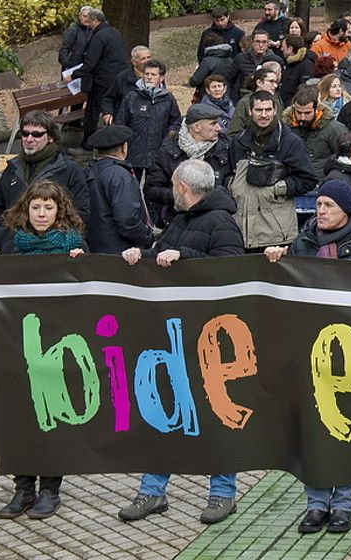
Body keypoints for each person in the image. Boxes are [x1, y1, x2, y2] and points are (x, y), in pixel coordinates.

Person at [117, 159, 244, 526]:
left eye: (173, 185)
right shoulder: (182, 219)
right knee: (163, 412)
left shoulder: (220, 222)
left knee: (217, 415)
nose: (171, 190)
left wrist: (185, 256)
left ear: (184, 188)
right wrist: (142, 256)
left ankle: (223, 494)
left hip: (208, 340)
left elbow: (231, 270)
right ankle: (152, 491)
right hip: (172, 334)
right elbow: (163, 258)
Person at [262, 179, 351, 534]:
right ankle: (316, 504)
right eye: (318, 205)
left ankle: (343, 505)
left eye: (328, 206)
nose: (320, 211)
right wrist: (277, 259)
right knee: (315, 426)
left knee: (344, 425)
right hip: (310, 349)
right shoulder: (302, 244)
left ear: (346, 210)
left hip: (350, 352)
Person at [0, 180, 84, 519]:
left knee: (52, 416)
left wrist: (83, 265)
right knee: (20, 417)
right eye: (35, 207)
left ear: (59, 211)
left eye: (48, 208)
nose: (41, 213)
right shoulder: (14, 246)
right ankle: (23, 489)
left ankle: (50, 490)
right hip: (20, 345)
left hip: (56, 345)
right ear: (26, 210)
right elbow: (2, 294)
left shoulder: (74, 246)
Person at [228, 91, 319, 250]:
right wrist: (233, 186)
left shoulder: (290, 142)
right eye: (258, 110)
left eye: (268, 110)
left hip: (275, 233)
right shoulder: (238, 142)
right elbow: (229, 174)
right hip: (240, 231)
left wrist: (279, 189)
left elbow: (309, 179)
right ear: (250, 111)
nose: (264, 115)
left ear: (275, 110)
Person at [0, 110, 89, 251]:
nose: (29, 139)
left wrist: (54, 241)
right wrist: (7, 238)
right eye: (25, 134)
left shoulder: (70, 170)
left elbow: (81, 212)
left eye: (36, 134)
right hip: (15, 248)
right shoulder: (12, 168)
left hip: (57, 250)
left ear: (51, 137)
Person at [144, 103, 231, 223]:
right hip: (177, 220)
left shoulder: (225, 149)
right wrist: (181, 196)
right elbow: (151, 190)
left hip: (214, 221)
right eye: (213, 123)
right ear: (197, 127)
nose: (219, 128)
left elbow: (230, 184)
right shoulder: (167, 153)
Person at [83, 125, 155, 254]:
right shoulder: (119, 175)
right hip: (120, 252)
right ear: (124, 148)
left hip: (95, 248)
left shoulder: (91, 170)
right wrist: (148, 237)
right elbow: (127, 220)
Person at [114, 58, 181, 173]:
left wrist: (168, 141)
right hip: (134, 153)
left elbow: (175, 122)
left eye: (153, 74)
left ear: (161, 78)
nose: (149, 77)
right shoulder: (132, 97)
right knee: (131, 187)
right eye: (147, 74)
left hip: (158, 153)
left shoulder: (168, 99)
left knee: (154, 188)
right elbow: (121, 123)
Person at [74, 9, 130, 144]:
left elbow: (91, 62)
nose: (89, 25)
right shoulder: (115, 32)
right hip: (119, 78)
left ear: (95, 20)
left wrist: (75, 75)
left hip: (103, 81)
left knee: (92, 112)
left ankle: (88, 143)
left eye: (90, 22)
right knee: (114, 110)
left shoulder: (99, 36)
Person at [283, 85, 346, 172]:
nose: (302, 117)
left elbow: (345, 158)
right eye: (299, 112)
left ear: (317, 109)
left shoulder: (334, 128)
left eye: (307, 113)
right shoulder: (286, 127)